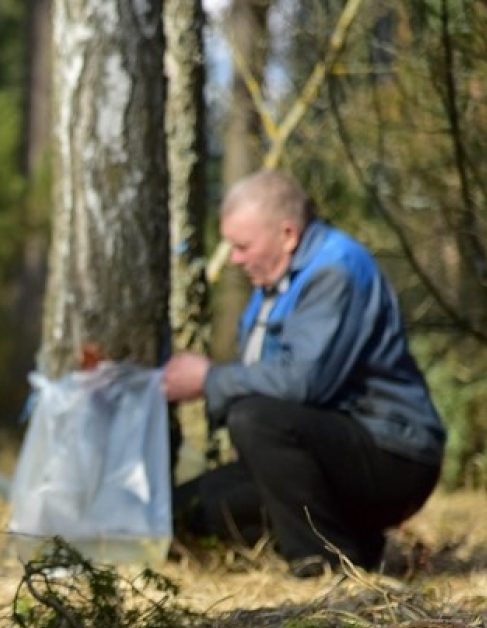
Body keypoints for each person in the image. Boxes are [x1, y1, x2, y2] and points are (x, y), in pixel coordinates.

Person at [162, 170, 445, 576]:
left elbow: (302, 382)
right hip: (327, 450)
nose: (235, 259)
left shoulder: (336, 270)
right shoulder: (274, 281)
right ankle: (354, 542)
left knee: (254, 418)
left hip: (394, 456)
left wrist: (209, 380)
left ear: (288, 234)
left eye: (242, 246)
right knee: (184, 514)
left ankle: (322, 566)